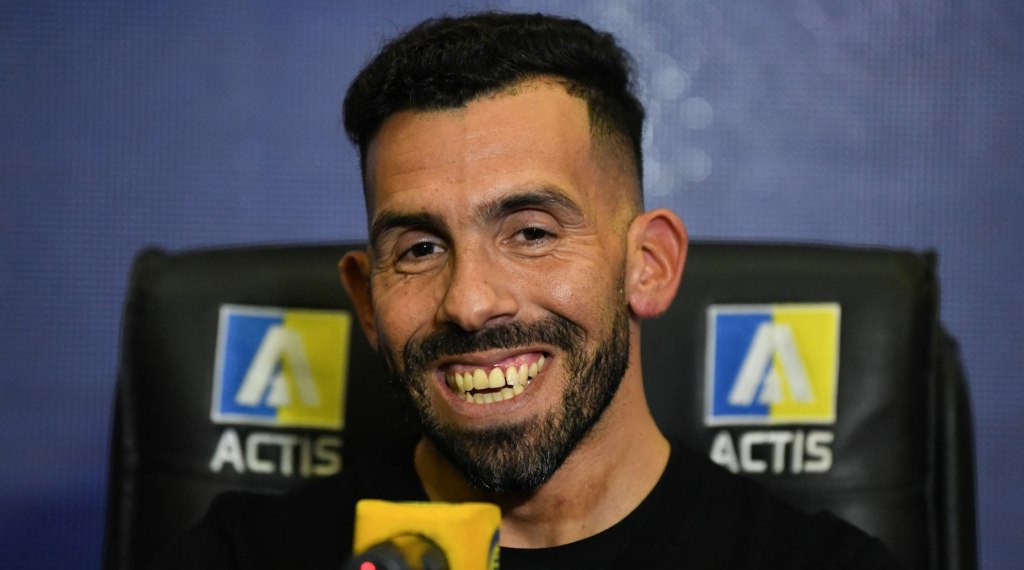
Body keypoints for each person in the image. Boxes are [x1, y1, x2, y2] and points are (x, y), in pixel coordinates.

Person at [151, 11, 898, 569]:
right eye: (419, 249)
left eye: (532, 233)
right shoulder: (241, 557)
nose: (470, 303)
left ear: (649, 265)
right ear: (367, 301)